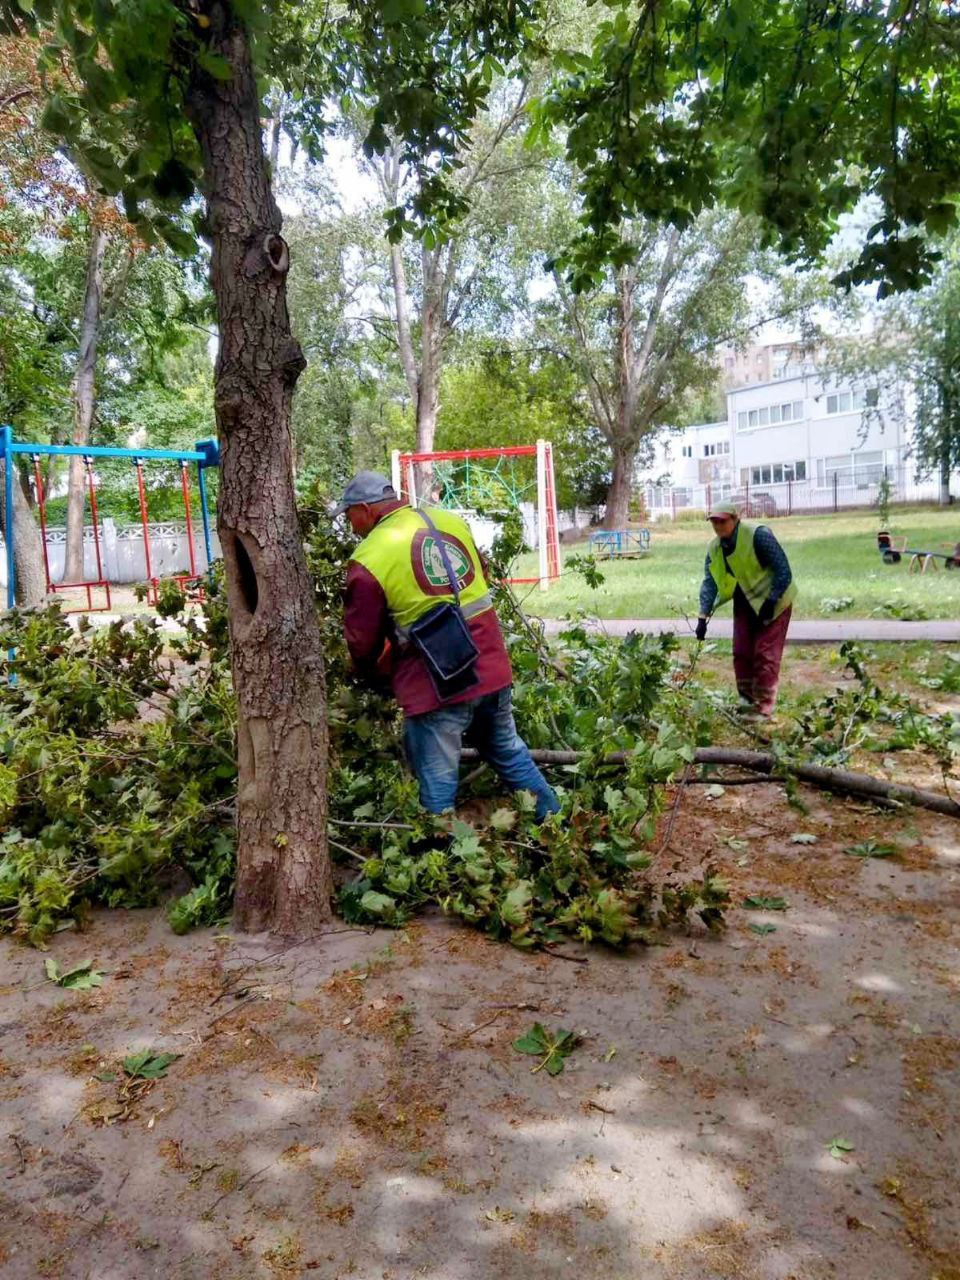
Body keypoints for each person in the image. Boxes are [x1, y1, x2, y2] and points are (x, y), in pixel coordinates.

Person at [336, 471, 560, 821]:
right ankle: (556, 823)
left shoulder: (368, 559)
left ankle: (443, 862)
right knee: (507, 750)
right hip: (490, 666)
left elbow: (362, 644)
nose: (350, 526)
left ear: (364, 509)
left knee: (437, 788)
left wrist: (367, 676)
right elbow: (480, 576)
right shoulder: (449, 521)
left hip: (437, 684)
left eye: (349, 515)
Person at [695, 502, 796, 719]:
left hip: (775, 601)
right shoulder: (715, 548)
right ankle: (746, 701)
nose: (718, 526)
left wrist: (772, 600)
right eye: (714, 521)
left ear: (735, 519)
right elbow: (710, 582)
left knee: (765, 654)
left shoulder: (758, 535)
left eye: (722, 521)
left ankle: (763, 707)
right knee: (741, 652)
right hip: (745, 600)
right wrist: (702, 617)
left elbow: (784, 571)